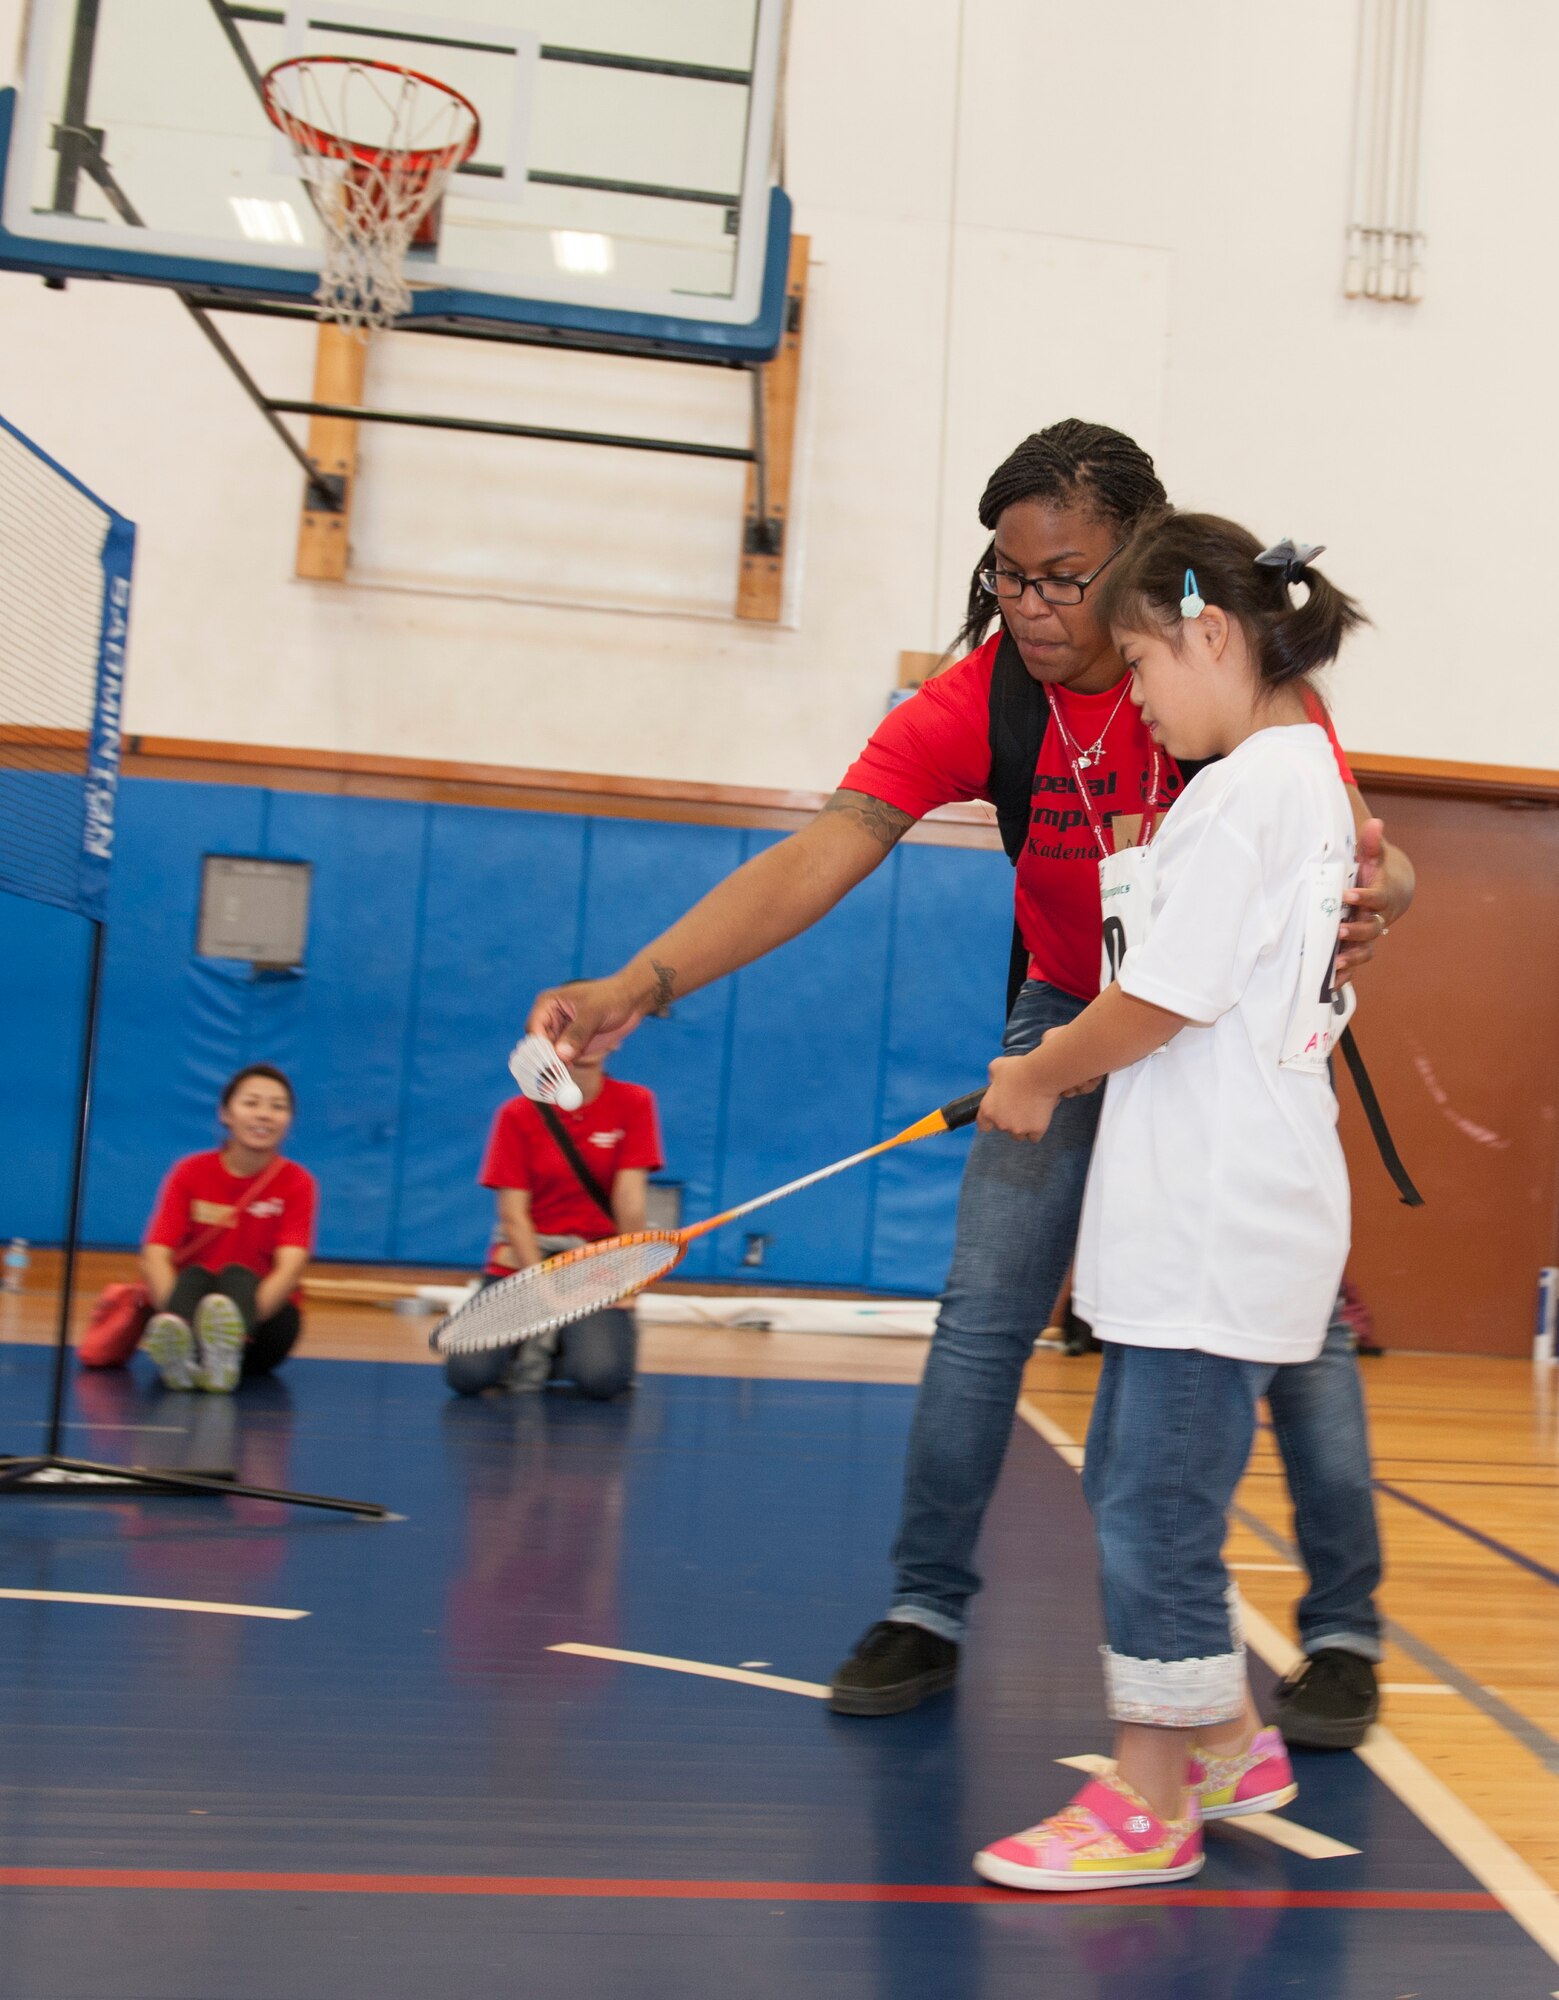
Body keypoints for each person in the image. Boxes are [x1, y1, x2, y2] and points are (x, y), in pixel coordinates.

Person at [525, 421, 1413, 1748]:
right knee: (981, 1309)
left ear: (1140, 565)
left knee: (1283, 1331)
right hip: (1067, 1007)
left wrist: (1382, 896)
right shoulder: (985, 699)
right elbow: (821, 854)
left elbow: (1362, 858)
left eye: (1064, 577)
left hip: (1211, 1036)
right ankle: (924, 1605)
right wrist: (637, 985)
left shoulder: (1209, 672)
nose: (1034, 606)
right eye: (1008, 575)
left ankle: (1338, 1628)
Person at [969, 509, 1363, 1890]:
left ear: (1205, 634)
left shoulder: (1246, 788)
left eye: (1136, 663)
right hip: (1214, 1210)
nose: (1130, 695)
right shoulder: (1299, 777)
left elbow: (1160, 996)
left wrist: (1037, 1067)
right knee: (1151, 1484)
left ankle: (1148, 1800)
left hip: (1218, 1219)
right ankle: (1223, 1743)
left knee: (1149, 1506)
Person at [443, 1052, 662, 1401]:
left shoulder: (635, 1102)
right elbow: (514, 1216)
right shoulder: (516, 1114)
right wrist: (545, 1295)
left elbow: (630, 1200)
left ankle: (563, 1345)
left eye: (597, 1028)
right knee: (468, 1375)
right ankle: (539, 1338)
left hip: (595, 1267)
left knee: (602, 1378)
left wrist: (628, 1282)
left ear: (616, 1040)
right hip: (526, 1263)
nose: (585, 1041)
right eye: (573, 1030)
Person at [141, 1064, 315, 1393]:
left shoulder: (299, 1182)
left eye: (277, 1106)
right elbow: (154, 1255)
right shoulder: (189, 1171)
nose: (264, 1114)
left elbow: (291, 1267)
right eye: (251, 1103)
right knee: (195, 1276)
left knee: (237, 1276)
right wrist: (181, 1323)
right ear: (226, 1114)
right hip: (188, 1306)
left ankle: (220, 1357)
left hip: (260, 1325)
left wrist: (233, 1329)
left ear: (289, 1121)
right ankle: (182, 1353)